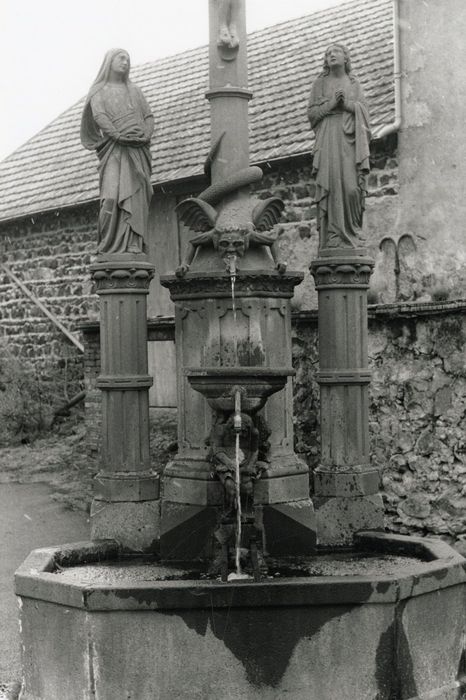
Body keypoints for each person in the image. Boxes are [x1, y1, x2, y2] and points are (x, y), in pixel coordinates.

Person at [81, 49, 154, 255]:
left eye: (128, 59)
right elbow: (100, 116)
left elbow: (148, 116)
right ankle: (107, 246)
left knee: (136, 196)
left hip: (137, 149)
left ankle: (133, 241)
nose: (126, 62)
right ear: (109, 62)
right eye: (121, 58)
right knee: (110, 198)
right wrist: (117, 135)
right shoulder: (99, 91)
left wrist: (146, 135)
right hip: (114, 148)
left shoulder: (135, 91)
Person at [307, 44, 371, 249]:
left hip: (350, 141)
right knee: (332, 186)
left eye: (335, 52)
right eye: (327, 54)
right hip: (328, 140)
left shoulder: (354, 83)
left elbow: (364, 114)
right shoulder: (320, 83)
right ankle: (333, 236)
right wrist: (332, 104)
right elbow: (312, 115)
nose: (330, 55)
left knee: (352, 189)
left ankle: (352, 232)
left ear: (346, 58)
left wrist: (347, 105)